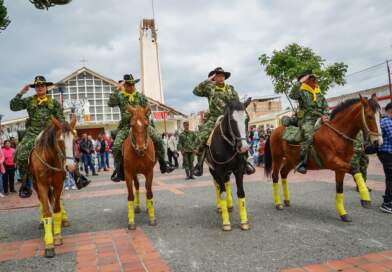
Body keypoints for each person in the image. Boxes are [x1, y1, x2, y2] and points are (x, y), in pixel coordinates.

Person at [108, 74, 174, 182]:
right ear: (124, 85)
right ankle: (119, 171)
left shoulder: (140, 96)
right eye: (129, 84)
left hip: (142, 126)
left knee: (158, 139)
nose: (131, 86)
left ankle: (163, 164)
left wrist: (143, 119)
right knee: (115, 147)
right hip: (126, 126)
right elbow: (110, 103)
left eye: (133, 84)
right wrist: (117, 89)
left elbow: (148, 108)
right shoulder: (119, 96)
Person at [192, 67, 255, 176]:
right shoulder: (209, 88)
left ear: (224, 77)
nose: (220, 78)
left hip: (230, 118)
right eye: (217, 76)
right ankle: (199, 165)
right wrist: (207, 81)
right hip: (214, 117)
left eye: (222, 76)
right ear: (214, 78)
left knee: (242, 136)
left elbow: (237, 103)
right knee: (201, 137)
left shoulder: (231, 89)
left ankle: (245, 163)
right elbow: (195, 91)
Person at [10, 76, 65, 198]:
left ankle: (76, 176)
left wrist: (62, 130)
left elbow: (61, 118)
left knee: (66, 149)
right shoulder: (29, 100)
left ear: (46, 87)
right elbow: (13, 107)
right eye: (37, 86)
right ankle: (25, 183)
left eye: (42, 86)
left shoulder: (54, 102)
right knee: (22, 153)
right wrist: (21, 93)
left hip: (50, 133)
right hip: (33, 133)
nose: (40, 88)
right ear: (35, 88)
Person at [289, 70, 329, 174]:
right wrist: (300, 81)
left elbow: (325, 104)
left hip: (321, 117)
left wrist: (326, 115)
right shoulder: (301, 90)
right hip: (307, 119)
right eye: (311, 78)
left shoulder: (318, 90)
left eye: (314, 78)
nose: (314, 80)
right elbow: (292, 95)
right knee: (308, 136)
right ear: (306, 80)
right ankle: (302, 162)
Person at [378, 102, 392, 213]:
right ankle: (387, 203)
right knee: (390, 177)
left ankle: (388, 201)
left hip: (389, 153)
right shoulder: (386, 121)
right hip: (386, 153)